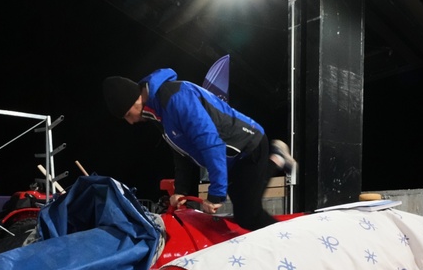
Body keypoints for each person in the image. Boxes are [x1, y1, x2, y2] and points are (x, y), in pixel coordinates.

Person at [103, 68, 297, 231]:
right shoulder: (156, 112)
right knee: (243, 206)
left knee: (248, 216)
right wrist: (180, 190)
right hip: (233, 156)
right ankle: (277, 158)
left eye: (128, 115)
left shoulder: (176, 98)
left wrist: (215, 194)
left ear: (136, 100)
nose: (130, 122)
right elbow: (180, 153)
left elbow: (209, 143)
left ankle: (292, 244)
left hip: (248, 144)